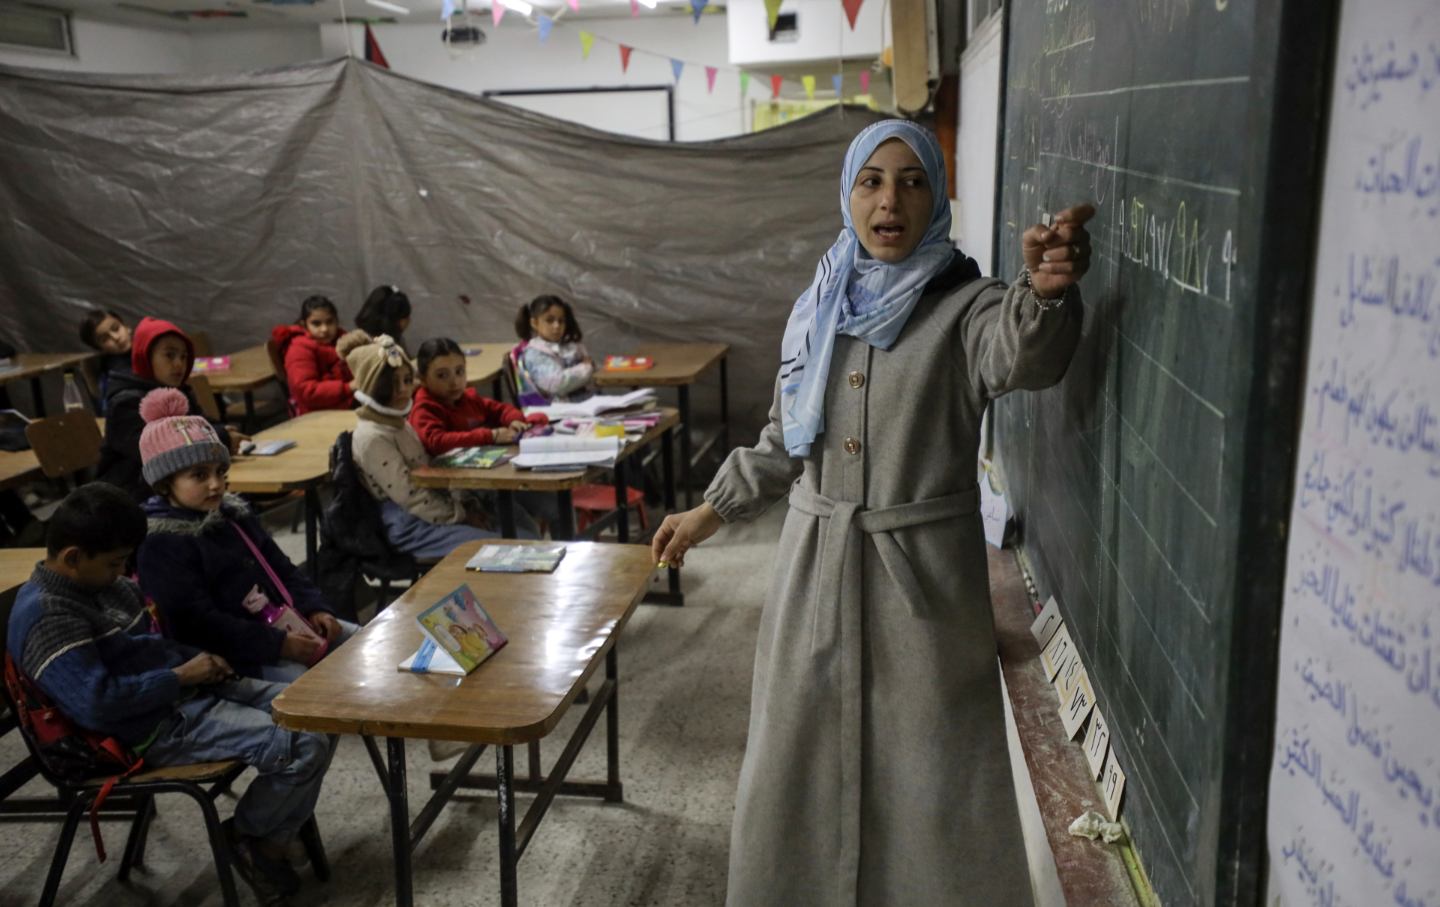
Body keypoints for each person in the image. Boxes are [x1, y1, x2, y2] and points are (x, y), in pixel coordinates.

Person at [651, 120, 1093, 906]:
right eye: (872, 181)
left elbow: (1025, 352)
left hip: (921, 594)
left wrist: (1047, 294)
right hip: (813, 574)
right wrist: (705, 514)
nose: (892, 198)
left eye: (913, 180)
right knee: (800, 764)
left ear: (937, 198)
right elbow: (785, 438)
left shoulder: (968, 306)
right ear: (849, 196)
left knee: (928, 778)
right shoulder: (822, 303)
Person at [6, 483, 332, 905]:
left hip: (179, 696)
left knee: (318, 711)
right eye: (115, 563)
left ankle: (273, 832)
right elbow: (97, 704)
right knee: (304, 743)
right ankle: (254, 838)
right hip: (145, 731)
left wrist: (202, 663)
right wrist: (180, 676)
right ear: (72, 558)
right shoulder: (49, 615)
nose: (123, 573)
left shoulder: (105, 585)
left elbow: (156, 646)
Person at [133, 387, 358, 684]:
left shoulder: (232, 515)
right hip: (232, 656)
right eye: (199, 475)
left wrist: (315, 607)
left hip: (281, 627)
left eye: (220, 473)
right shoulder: (160, 545)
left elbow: (281, 567)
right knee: (310, 685)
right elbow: (197, 625)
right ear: (164, 484)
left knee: (360, 643)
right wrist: (279, 645)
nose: (215, 485)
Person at [342, 333, 534, 559]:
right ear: (371, 388)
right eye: (390, 384)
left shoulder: (399, 424)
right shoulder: (372, 437)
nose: (403, 390)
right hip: (410, 524)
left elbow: (432, 472)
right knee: (503, 551)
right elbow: (411, 496)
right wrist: (461, 515)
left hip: (437, 507)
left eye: (405, 380)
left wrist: (466, 503)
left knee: (522, 530)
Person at [96, 316, 246, 502]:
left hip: (180, 488)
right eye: (170, 355)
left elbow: (202, 423)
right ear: (146, 355)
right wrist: (221, 436)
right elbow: (165, 451)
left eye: (183, 357)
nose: (179, 364)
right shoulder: (125, 402)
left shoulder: (176, 390)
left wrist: (223, 431)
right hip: (134, 499)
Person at [411, 337, 547, 453]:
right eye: (442, 375)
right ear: (423, 379)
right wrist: (491, 436)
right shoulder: (424, 410)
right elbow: (437, 441)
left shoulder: (468, 399)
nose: (454, 382)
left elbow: (499, 409)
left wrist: (514, 420)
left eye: (459, 372)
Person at [270, 296, 363, 415]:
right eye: (316, 323)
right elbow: (306, 391)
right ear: (304, 324)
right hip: (318, 411)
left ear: (337, 321)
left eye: (330, 322)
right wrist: (348, 387)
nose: (324, 329)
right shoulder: (299, 348)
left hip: (346, 399)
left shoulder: (342, 340)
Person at [513, 295, 594, 403]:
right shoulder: (535, 354)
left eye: (561, 321)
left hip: (583, 402)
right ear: (535, 323)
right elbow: (557, 384)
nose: (556, 326)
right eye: (549, 320)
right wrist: (585, 367)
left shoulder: (568, 346)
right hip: (558, 408)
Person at [77, 309, 134, 412]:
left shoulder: (151, 349)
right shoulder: (111, 374)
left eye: (116, 328)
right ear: (100, 349)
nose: (116, 337)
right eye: (104, 339)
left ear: (127, 327)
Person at [354, 285, 412, 354]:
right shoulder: (387, 345)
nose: (409, 320)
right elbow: (399, 362)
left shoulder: (361, 337)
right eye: (406, 317)